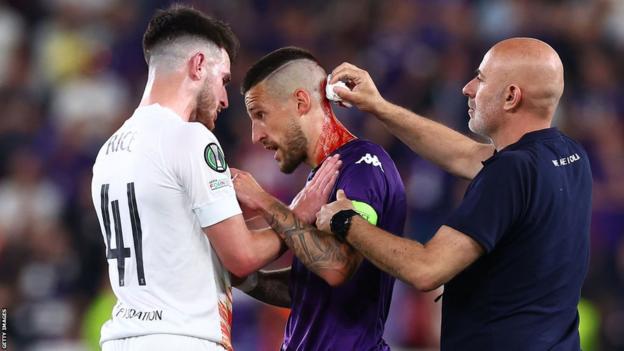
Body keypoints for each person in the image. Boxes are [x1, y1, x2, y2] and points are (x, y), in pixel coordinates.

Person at [316, 37, 592, 350]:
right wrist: (379, 107)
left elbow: (427, 269)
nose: (468, 87)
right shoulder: (568, 155)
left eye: (482, 78)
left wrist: (346, 221)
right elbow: (463, 155)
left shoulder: (510, 172)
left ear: (511, 97)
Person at [90, 6, 338, 351]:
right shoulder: (191, 138)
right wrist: (298, 213)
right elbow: (242, 257)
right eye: (223, 81)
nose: (224, 99)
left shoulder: (108, 152)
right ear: (198, 65)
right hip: (182, 340)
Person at [230, 47, 407, 350]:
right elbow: (311, 287)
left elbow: (337, 267)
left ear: (300, 102)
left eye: (261, 115)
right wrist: (245, 278)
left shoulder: (363, 164)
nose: (255, 135)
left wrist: (263, 200)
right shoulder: (321, 177)